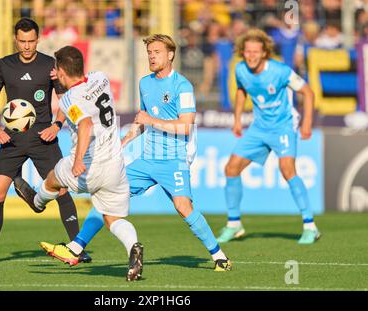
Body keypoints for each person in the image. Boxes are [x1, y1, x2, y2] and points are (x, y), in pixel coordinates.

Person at [36, 34, 232, 272]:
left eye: (157, 52)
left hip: (173, 159)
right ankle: (76, 247)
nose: (152, 56)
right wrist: (126, 139)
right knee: (108, 197)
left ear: (170, 55)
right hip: (147, 158)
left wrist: (150, 119)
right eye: (149, 52)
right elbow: (142, 118)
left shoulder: (183, 86)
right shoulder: (145, 83)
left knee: (183, 207)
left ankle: (220, 257)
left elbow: (185, 125)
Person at [14, 45, 144, 281]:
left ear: (61, 71)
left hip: (89, 165)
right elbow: (83, 84)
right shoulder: (101, 78)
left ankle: (37, 201)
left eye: (57, 70)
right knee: (112, 218)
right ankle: (133, 248)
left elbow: (84, 124)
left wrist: (76, 162)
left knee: (53, 178)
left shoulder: (69, 100)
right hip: (115, 164)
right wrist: (63, 72)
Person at [0, 18, 90, 263]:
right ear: (15, 40)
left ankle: (78, 249)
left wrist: (56, 125)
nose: (27, 46)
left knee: (61, 190)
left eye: (31, 41)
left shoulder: (51, 65)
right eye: (22, 41)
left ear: (38, 39)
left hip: (42, 139)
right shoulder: (3, 66)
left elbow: (66, 99)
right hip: (12, 140)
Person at [216, 28, 320, 244]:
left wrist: (307, 123)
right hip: (259, 128)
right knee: (231, 168)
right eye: (248, 51)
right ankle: (234, 224)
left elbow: (307, 92)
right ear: (242, 52)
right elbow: (241, 90)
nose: (251, 55)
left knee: (287, 170)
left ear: (265, 53)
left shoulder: (280, 71)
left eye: (256, 52)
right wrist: (237, 119)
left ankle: (310, 226)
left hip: (283, 126)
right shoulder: (241, 70)